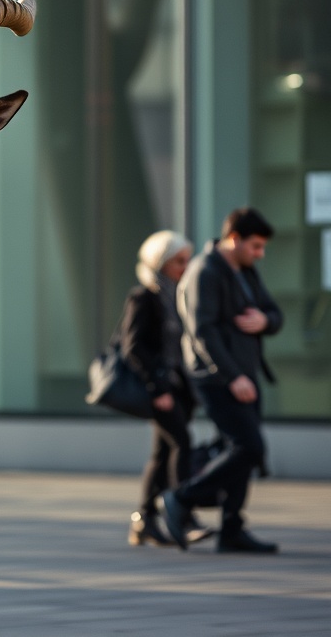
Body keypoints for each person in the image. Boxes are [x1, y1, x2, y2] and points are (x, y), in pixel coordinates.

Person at [162, 207, 283, 553]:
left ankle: (232, 529)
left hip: (246, 375)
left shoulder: (246, 271)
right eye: (255, 246)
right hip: (216, 378)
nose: (259, 254)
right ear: (234, 239)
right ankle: (181, 498)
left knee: (242, 450)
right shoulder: (205, 271)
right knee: (249, 447)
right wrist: (232, 378)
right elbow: (203, 332)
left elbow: (274, 313)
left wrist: (265, 321)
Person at [121, 230, 213, 547]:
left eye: (188, 260)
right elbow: (132, 346)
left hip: (181, 388)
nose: (185, 267)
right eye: (179, 261)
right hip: (161, 389)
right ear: (160, 263)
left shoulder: (179, 293)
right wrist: (156, 387)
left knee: (161, 453)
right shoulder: (144, 296)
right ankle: (183, 516)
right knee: (182, 444)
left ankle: (144, 520)